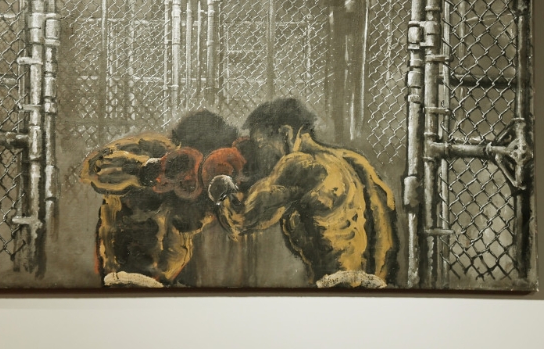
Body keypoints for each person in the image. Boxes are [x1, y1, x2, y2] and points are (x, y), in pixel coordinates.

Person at [208, 98, 399, 288]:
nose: (260, 153)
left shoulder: (299, 165)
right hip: (370, 283)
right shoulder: (353, 160)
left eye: (261, 144)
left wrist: (221, 188)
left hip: (335, 284)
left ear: (286, 133)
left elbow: (239, 220)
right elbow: (384, 223)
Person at [79, 110, 239, 287]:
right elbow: (94, 169)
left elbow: (231, 226)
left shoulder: (211, 188)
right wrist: (147, 170)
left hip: (164, 278)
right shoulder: (154, 148)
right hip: (121, 265)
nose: (192, 176)